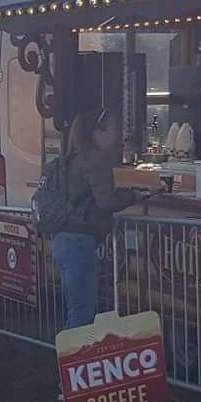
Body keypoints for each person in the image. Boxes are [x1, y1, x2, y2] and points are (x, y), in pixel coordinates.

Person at [52, 109, 141, 330]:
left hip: (61, 239)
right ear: (98, 132)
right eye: (113, 129)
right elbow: (107, 200)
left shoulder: (69, 160)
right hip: (80, 242)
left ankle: (70, 361)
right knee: (82, 314)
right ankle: (74, 362)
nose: (118, 136)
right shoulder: (93, 159)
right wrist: (135, 195)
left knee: (76, 308)